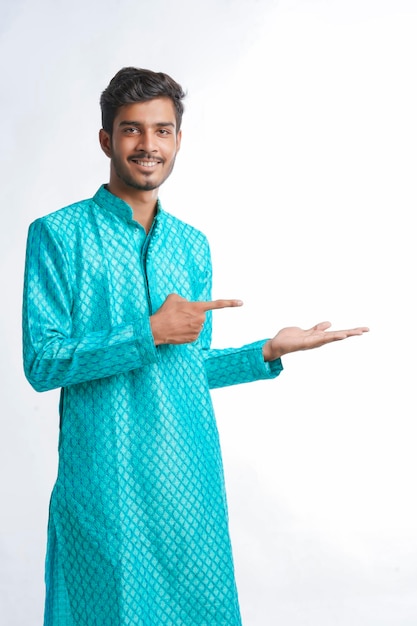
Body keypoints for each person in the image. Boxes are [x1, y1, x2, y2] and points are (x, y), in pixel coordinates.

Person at [22, 67, 369, 626]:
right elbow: (42, 363)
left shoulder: (191, 245)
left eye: (162, 130)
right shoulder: (59, 235)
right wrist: (147, 330)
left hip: (185, 477)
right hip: (102, 479)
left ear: (179, 139)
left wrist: (267, 352)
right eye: (132, 130)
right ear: (106, 139)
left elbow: (189, 368)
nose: (148, 145)